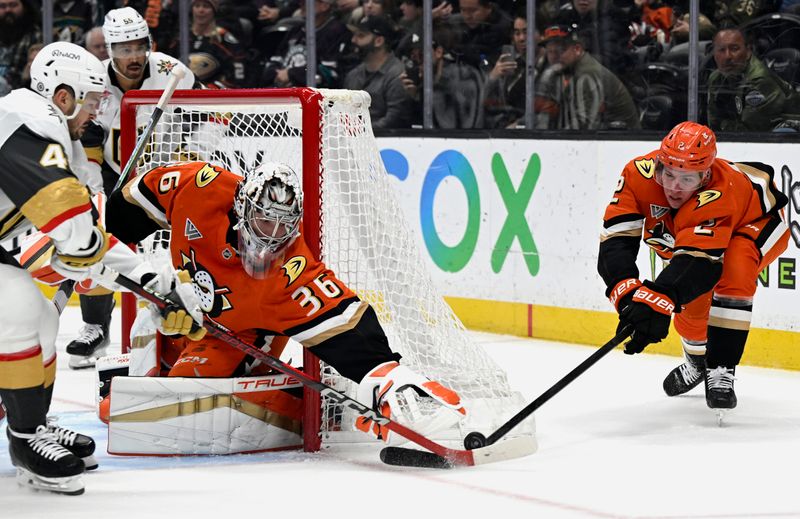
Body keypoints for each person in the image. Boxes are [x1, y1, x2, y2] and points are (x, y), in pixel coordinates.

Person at [105, 160, 467, 444]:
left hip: (237, 339)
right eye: (264, 220)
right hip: (182, 315)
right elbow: (133, 203)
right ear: (242, 206)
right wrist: (101, 230)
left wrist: (390, 380)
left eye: (283, 225)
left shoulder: (291, 274)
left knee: (162, 412)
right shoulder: (200, 186)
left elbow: (347, 322)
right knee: (134, 367)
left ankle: (315, 405)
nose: (272, 236)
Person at [0, 40, 203, 495]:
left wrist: (155, 281)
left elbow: (80, 243)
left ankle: (30, 423)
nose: (95, 113)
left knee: (39, 314)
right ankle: (25, 436)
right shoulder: (26, 121)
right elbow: (75, 238)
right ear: (63, 95)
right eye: (91, 102)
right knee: (15, 308)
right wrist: (147, 289)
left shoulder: (55, 137)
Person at [598, 121, 790, 412]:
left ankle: (721, 367)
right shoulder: (638, 175)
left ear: (705, 176)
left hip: (757, 219)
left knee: (735, 270)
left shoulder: (719, 191)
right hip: (703, 239)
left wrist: (657, 299)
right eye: (669, 174)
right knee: (692, 301)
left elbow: (699, 263)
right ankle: (697, 361)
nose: (674, 187)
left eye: (687, 179)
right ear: (659, 164)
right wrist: (627, 297)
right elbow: (616, 242)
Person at [69, 7, 195, 370]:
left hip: (169, 173)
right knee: (97, 237)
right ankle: (95, 326)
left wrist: (196, 155)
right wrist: (94, 189)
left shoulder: (174, 73)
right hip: (113, 171)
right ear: (109, 50)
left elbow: (210, 115)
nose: (134, 56)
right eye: (124, 49)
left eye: (140, 46)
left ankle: (196, 314)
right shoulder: (94, 81)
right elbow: (86, 139)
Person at [539, 24, 640, 130]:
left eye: (560, 50)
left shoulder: (587, 74)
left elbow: (583, 127)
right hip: (609, 139)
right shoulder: (564, 71)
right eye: (550, 51)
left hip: (620, 141)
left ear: (577, 49)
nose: (554, 57)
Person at [706, 27, 800, 132]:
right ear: (713, 53)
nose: (727, 56)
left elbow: (750, 131)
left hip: (788, 135)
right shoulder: (715, 78)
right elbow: (713, 123)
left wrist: (722, 124)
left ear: (748, 51)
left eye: (734, 48)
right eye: (721, 50)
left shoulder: (759, 79)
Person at [344, 14, 413, 129]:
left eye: (360, 36)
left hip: (387, 142)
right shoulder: (353, 74)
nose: (353, 40)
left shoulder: (397, 74)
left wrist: (360, 131)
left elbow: (394, 120)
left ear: (379, 41)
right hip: (356, 139)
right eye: (354, 35)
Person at [0, 0, 42, 90]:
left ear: (24, 7)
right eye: (2, 6)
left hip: (20, 94)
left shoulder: (35, 36)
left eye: (13, 5)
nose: (8, 10)